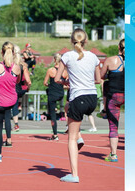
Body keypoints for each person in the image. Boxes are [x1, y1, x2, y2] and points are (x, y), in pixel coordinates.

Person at [55, 28, 101, 183]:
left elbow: (56, 79)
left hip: (78, 96)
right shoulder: (94, 57)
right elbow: (98, 80)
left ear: (71, 41)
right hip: (92, 98)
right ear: (86, 41)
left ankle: (74, 174)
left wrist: (66, 82)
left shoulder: (67, 56)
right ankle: (80, 137)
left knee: (71, 138)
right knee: (69, 108)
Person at [100, 39, 125, 162]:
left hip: (114, 96)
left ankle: (114, 154)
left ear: (119, 48)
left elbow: (101, 76)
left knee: (113, 126)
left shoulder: (110, 60)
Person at [4, 45, 31, 147]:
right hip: (21, 89)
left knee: (10, 105)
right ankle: (15, 123)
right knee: (14, 103)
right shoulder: (23, 65)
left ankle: (13, 124)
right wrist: (28, 88)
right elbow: (29, 81)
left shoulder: (9, 64)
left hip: (12, 88)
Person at [43, 53, 68, 140]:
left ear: (54, 60)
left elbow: (45, 83)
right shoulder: (65, 72)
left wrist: (50, 85)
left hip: (52, 94)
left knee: (52, 115)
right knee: (65, 109)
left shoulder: (51, 70)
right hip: (61, 94)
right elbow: (66, 84)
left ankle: (55, 134)